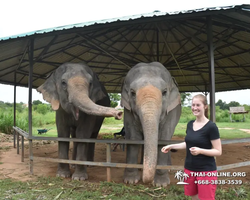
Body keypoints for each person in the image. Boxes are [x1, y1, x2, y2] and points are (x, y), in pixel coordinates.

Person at [161, 94, 222, 200]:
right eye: (193, 105)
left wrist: (200, 151)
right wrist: (171, 146)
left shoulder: (211, 127)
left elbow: (218, 151)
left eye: (198, 105)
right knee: (194, 197)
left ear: (205, 106)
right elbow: (188, 143)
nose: (194, 108)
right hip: (189, 169)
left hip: (206, 171)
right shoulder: (190, 124)